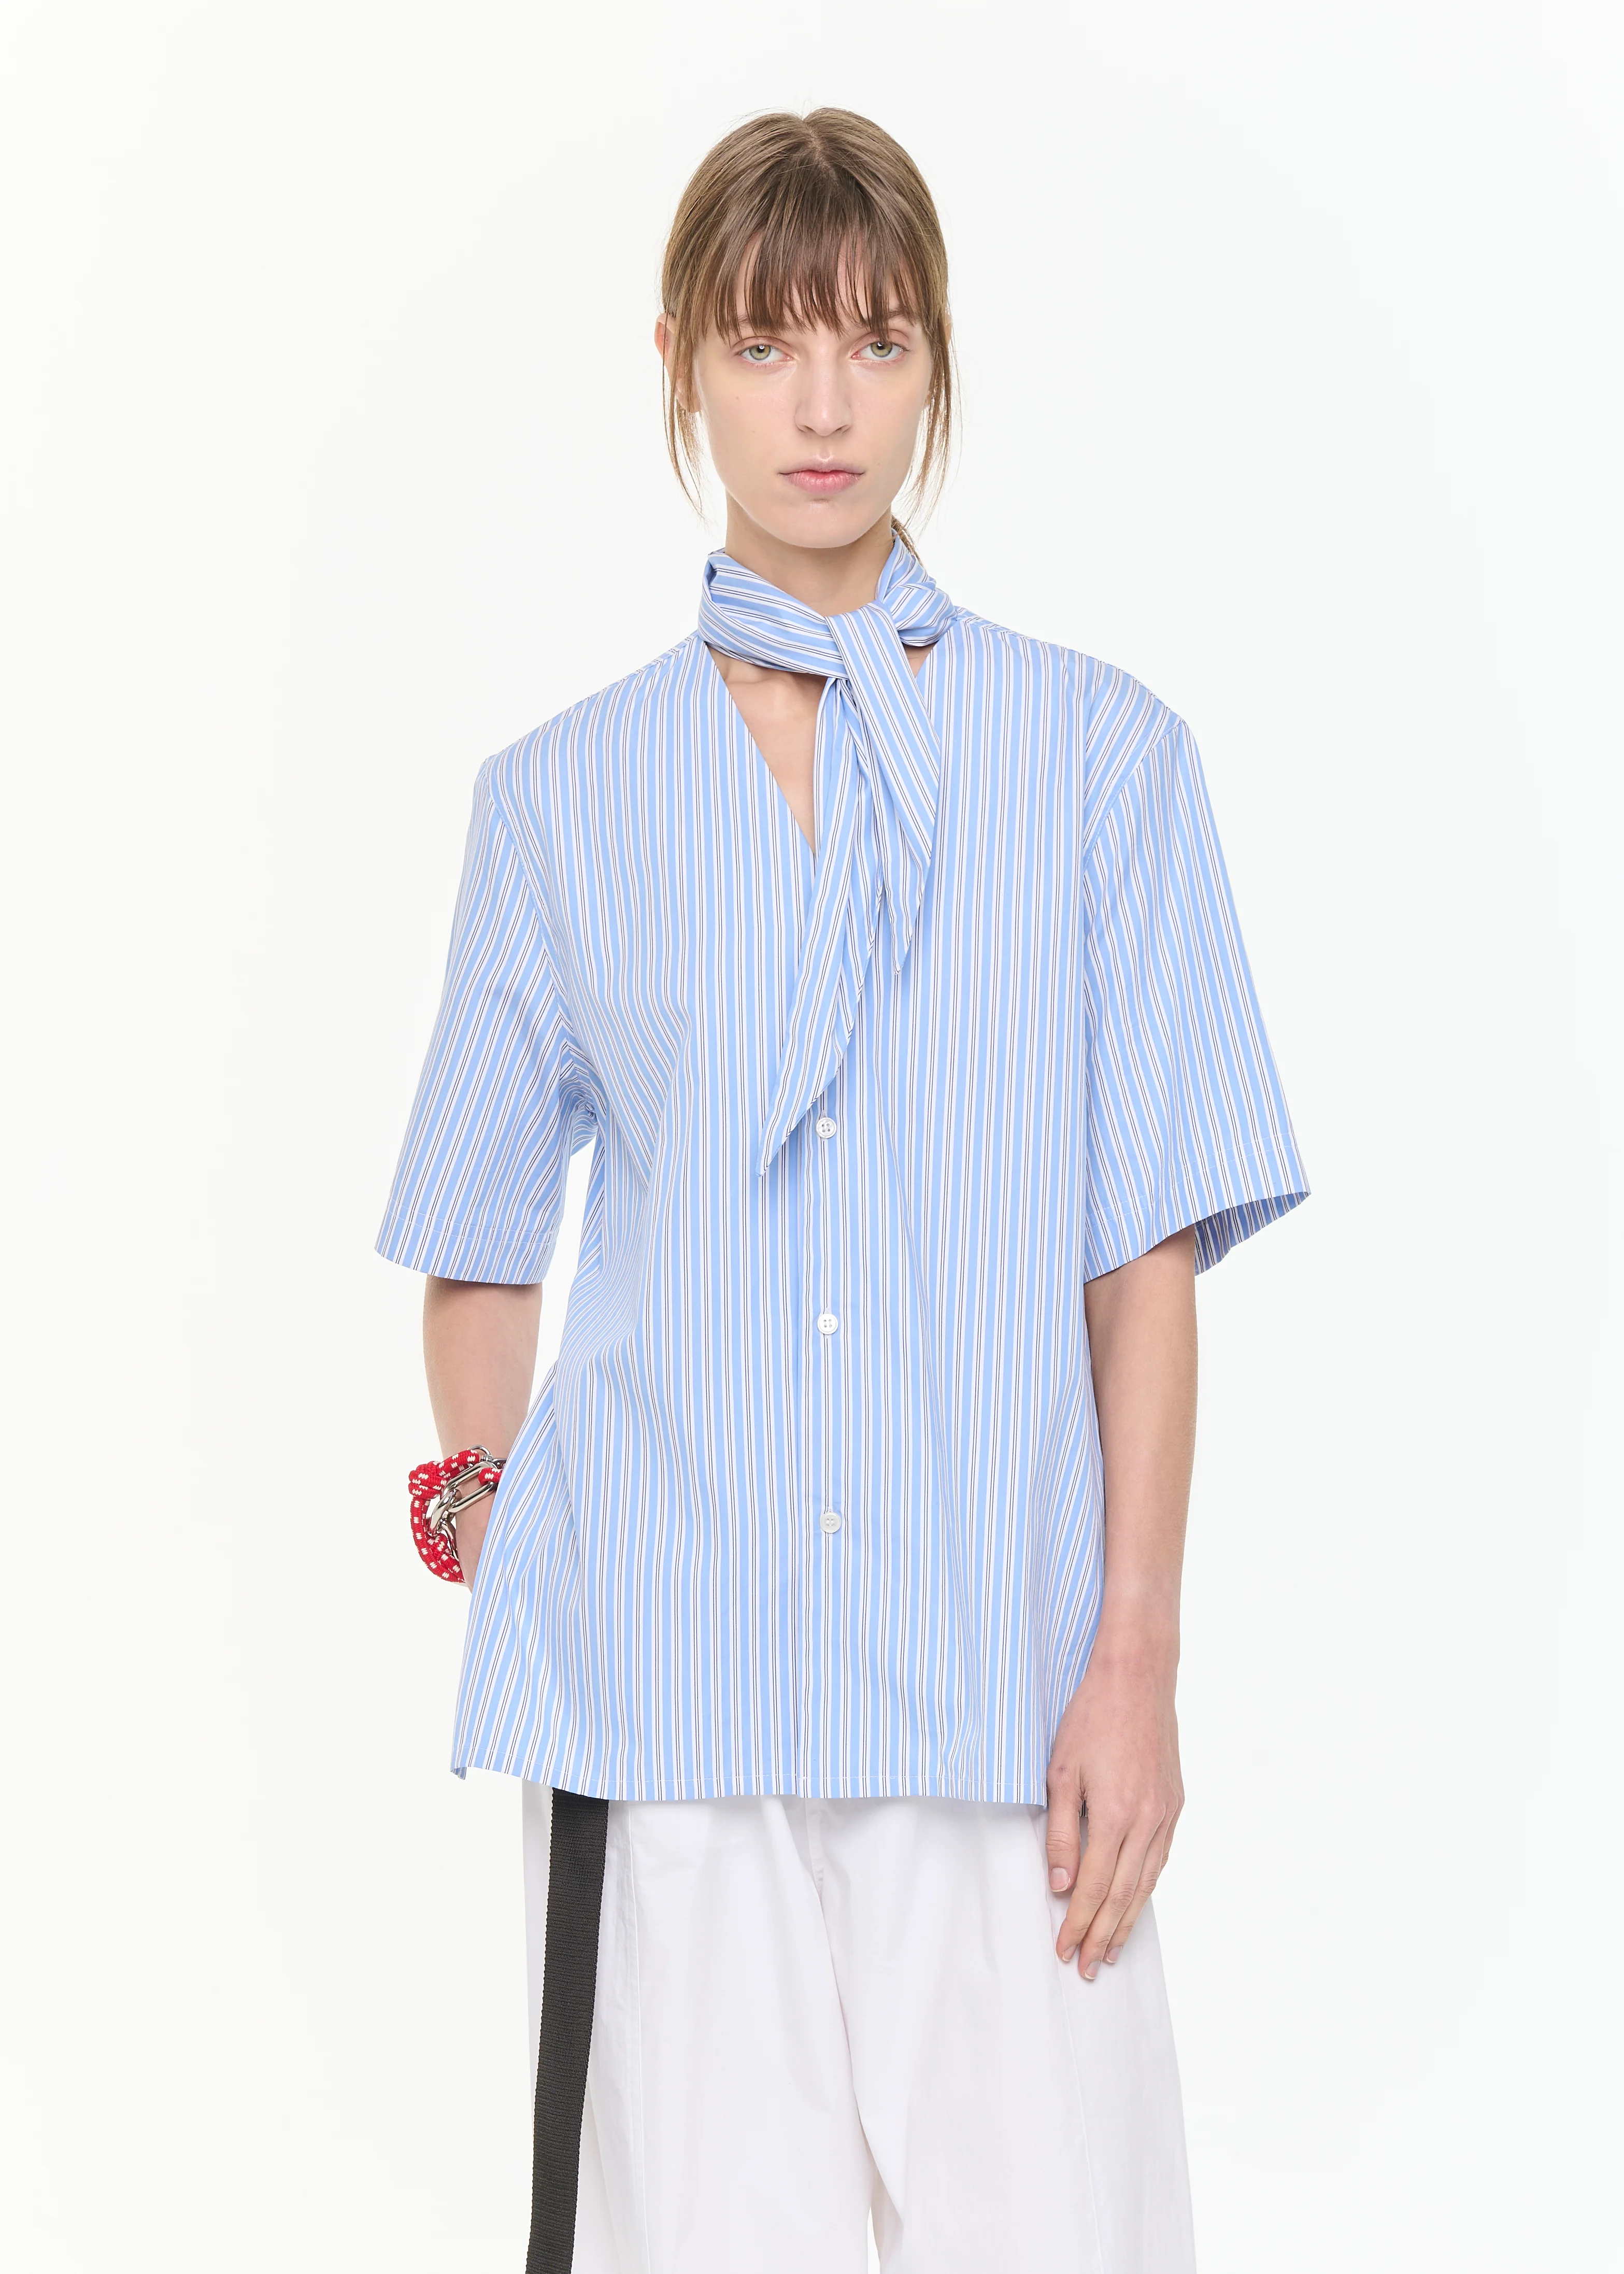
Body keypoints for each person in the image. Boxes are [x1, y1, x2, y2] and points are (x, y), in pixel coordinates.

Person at [379, 106, 1307, 2274]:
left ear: (934, 368)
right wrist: (505, 1524)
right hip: (665, 1718)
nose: (821, 405)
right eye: (765, 342)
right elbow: (476, 1241)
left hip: (1000, 1696)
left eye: (875, 344)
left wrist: (1135, 1660)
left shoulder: (1101, 760)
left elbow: (1144, 1258)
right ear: (680, 362)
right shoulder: (564, 797)